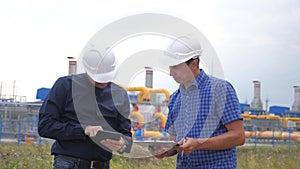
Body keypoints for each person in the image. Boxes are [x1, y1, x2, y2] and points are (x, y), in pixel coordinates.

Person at [151, 36, 245, 169]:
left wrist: (199, 143)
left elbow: (238, 136)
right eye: (170, 67)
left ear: (194, 64)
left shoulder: (220, 90)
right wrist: (164, 150)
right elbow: (175, 142)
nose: (171, 73)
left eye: (176, 67)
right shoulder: (175, 99)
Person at [38, 49, 132, 169]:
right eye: (98, 78)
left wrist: (123, 143)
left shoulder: (120, 94)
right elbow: (45, 126)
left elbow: (126, 135)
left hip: (102, 165)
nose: (103, 82)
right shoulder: (65, 86)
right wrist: (83, 130)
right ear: (88, 69)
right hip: (69, 163)